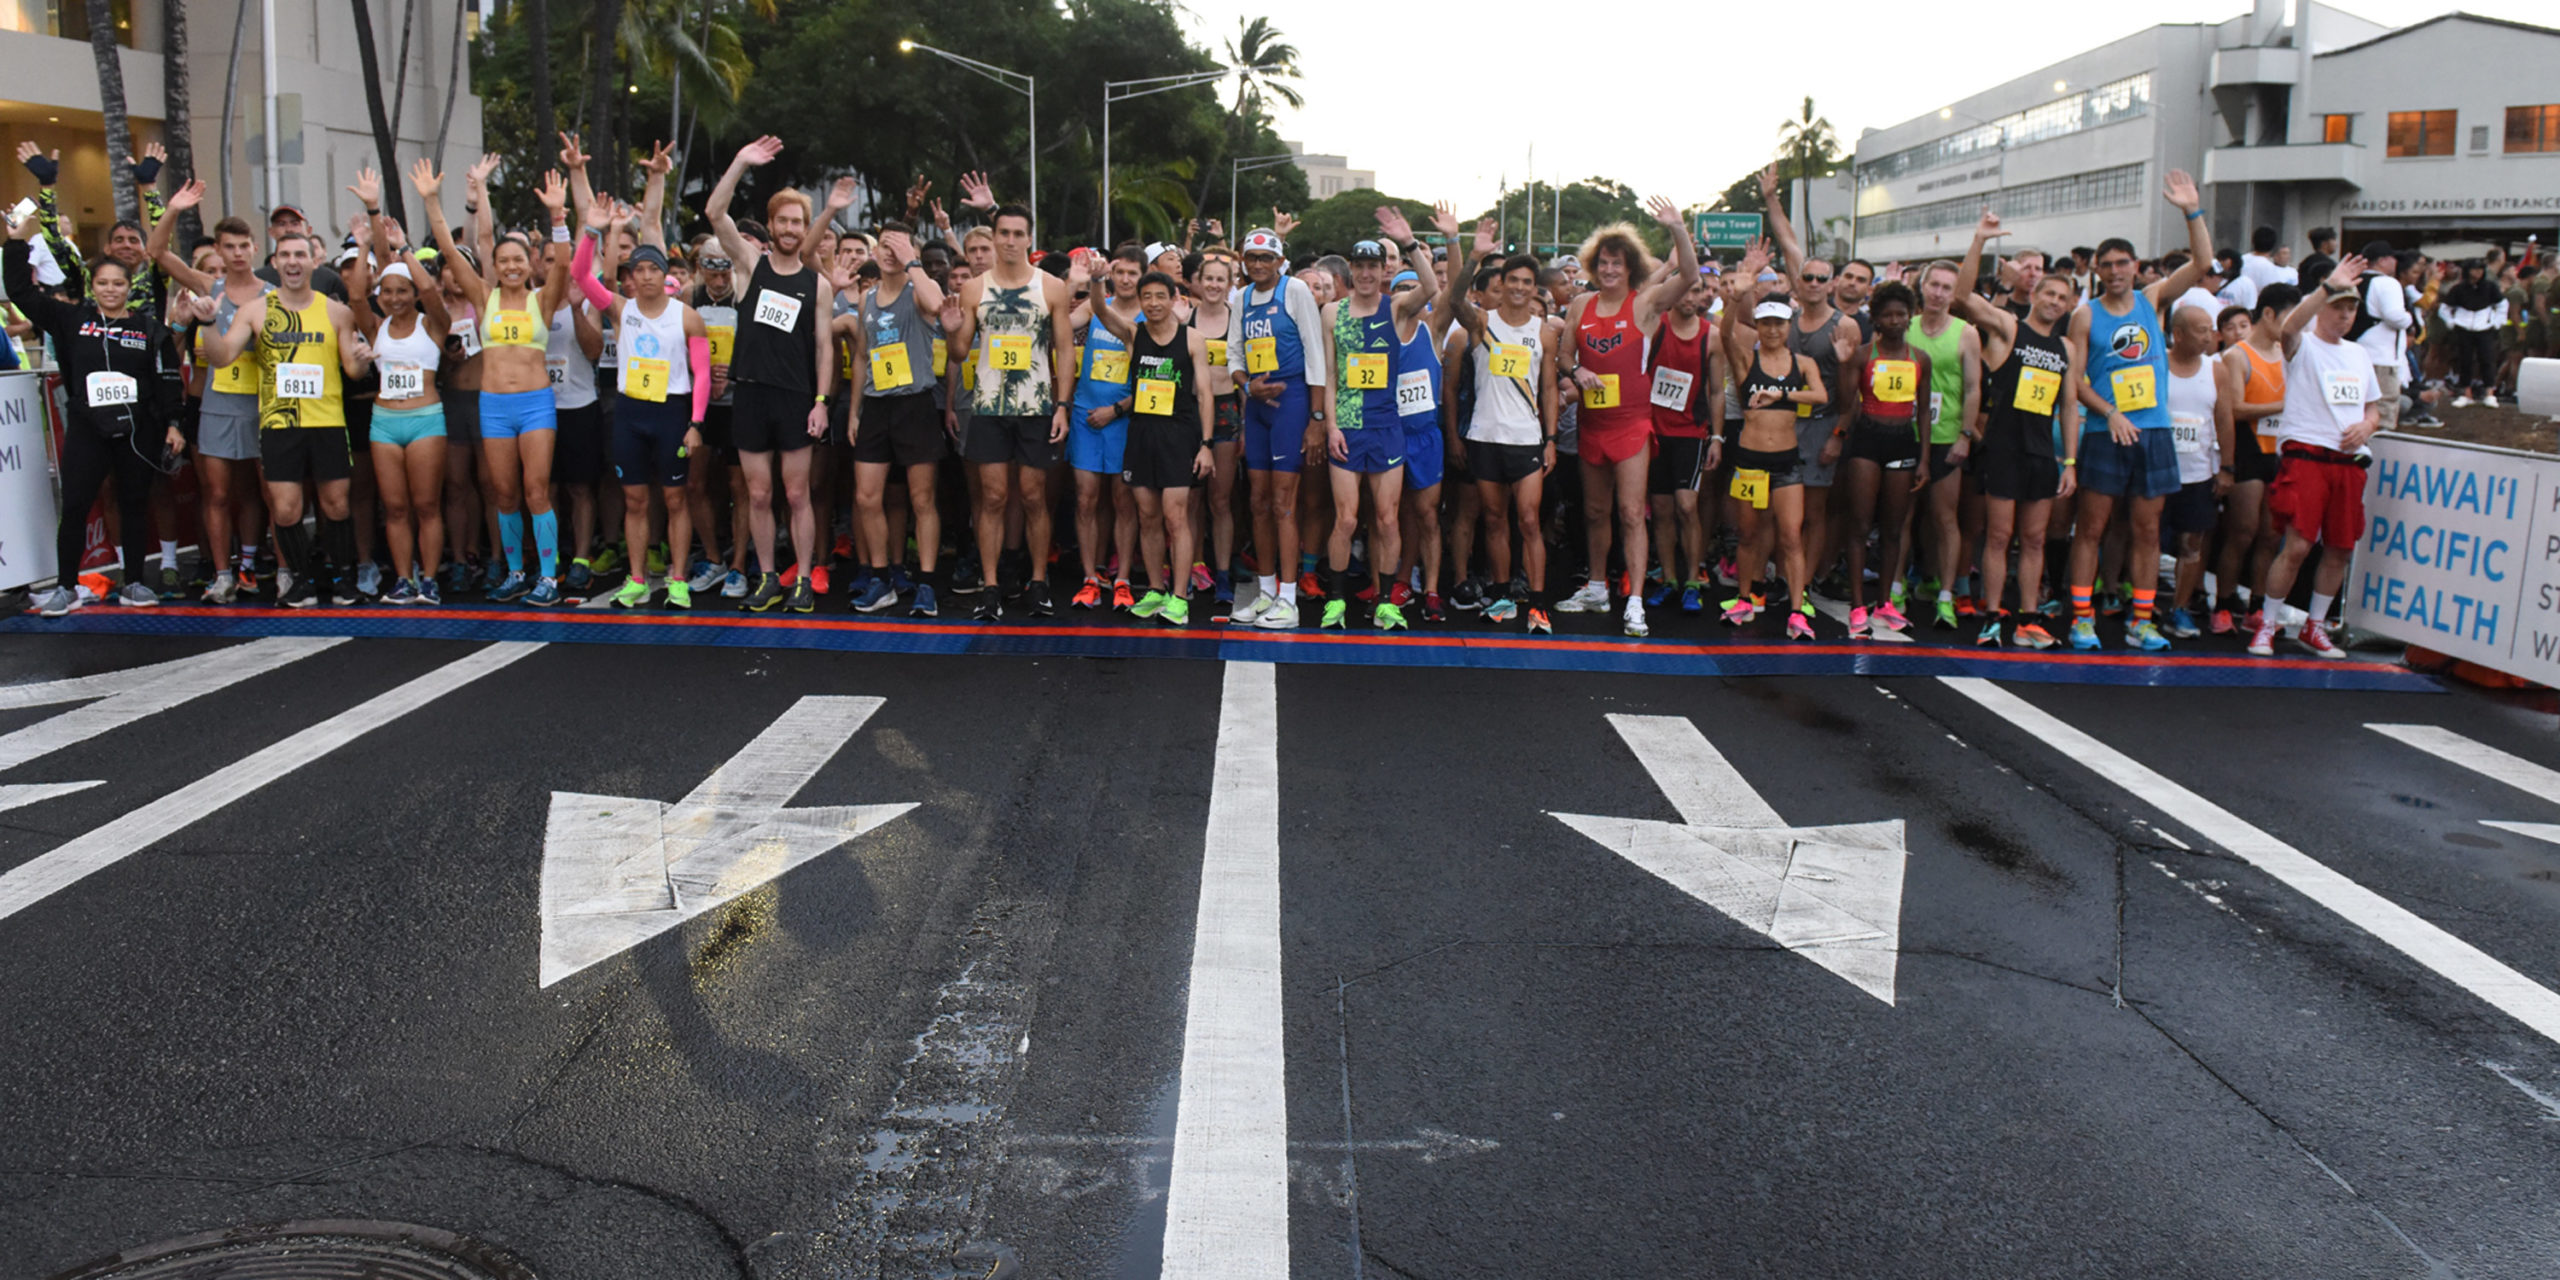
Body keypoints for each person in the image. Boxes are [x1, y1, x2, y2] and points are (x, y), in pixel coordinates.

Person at [415, 154, 576, 606]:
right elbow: (452, 249)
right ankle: (516, 571)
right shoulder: (483, 297)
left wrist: (558, 215)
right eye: (502, 259)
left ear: (528, 265)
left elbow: (563, 261)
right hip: (494, 408)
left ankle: (548, 577)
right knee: (503, 492)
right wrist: (432, 202)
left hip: (535, 405)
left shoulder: (542, 300)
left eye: (518, 260)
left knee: (535, 490)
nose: (509, 266)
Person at [9, 205, 184, 615]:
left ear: (127, 287)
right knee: (75, 505)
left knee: (134, 502)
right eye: (102, 283)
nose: (110, 290)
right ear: (92, 285)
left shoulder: (146, 327)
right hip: (87, 427)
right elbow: (20, 293)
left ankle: (135, 582)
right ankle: (67, 587)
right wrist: (16, 240)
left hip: (137, 429)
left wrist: (175, 423)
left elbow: (167, 377)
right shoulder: (72, 320)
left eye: (117, 284)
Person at [2065, 168, 2212, 652]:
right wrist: (2109, 413)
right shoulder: (2086, 314)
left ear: (2135, 265)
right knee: (2092, 527)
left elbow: (2203, 261)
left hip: (2153, 430)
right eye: (2105, 264)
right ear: (2097, 271)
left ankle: (2141, 620)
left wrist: (2191, 209)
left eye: (2121, 262)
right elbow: (2076, 381)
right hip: (2107, 431)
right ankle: (2082, 618)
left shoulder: (2152, 300)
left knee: (2149, 530)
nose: (2114, 270)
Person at [203, 203, 378, 607]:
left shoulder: (336, 311)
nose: (293, 262)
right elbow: (222, 357)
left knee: (336, 504)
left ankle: (343, 578)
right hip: (280, 424)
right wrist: (208, 323)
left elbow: (351, 370)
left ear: (314, 260)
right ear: (275, 262)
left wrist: (361, 360)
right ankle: (298, 580)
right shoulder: (255, 310)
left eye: (301, 255)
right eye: (285, 255)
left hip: (329, 422)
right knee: (285, 509)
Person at [706, 136, 844, 613]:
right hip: (750, 396)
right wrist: (741, 162)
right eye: (782, 221)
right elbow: (715, 213)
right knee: (759, 494)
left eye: (797, 222)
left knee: (797, 492)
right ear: (770, 226)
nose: (789, 229)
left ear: (806, 230)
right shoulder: (750, 266)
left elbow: (826, 350)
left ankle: (803, 578)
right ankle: (767, 577)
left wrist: (821, 404)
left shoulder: (818, 285)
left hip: (796, 399)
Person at [1556, 195, 1698, 638]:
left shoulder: (1646, 302)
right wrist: (1577, 370)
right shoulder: (1581, 305)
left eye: (1617, 263)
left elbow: (1690, 276)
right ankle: (1597, 587)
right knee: (1595, 511)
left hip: (1632, 425)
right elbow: (1563, 358)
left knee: (1631, 512)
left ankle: (1634, 600)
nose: (1609, 270)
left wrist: (1677, 227)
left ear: (1630, 266)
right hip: (1592, 425)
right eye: (1602, 263)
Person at [567, 201, 710, 610]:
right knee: (634, 500)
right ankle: (635, 579)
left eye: (653, 269)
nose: (645, 276)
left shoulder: (687, 317)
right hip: (631, 413)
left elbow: (701, 373)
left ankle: (677, 578)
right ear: (630, 278)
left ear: (666, 274)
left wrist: (696, 423)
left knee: (675, 498)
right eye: (638, 270)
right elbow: (579, 276)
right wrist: (592, 232)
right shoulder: (619, 308)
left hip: (671, 412)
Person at [1951, 210, 2079, 649]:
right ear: (2035, 293)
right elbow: (1964, 296)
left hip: (2042, 454)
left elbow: (2068, 406)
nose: (2055, 301)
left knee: (2035, 539)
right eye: (2050, 293)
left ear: (2069, 304)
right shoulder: (2009, 328)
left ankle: (2028, 619)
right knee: (1999, 537)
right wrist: (1979, 241)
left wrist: (2071, 463)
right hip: (2003, 449)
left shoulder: (2066, 347)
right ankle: (1992, 616)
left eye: (2064, 297)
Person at [946, 202, 1077, 621]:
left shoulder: (1052, 287)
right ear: (994, 235)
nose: (1010, 241)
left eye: (1019, 234)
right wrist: (951, 332)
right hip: (988, 405)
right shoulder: (974, 288)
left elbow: (1064, 351)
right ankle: (990, 586)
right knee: (994, 497)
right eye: (1004, 233)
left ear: (1029, 238)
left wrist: (1062, 406)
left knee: (1035, 496)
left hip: (1037, 406)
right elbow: (960, 351)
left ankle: (1037, 581)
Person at [1312, 211, 1441, 630]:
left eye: (1374, 266)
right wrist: (1330, 426)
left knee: (1386, 518)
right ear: (1351, 270)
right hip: (1348, 425)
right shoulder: (1333, 313)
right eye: (1360, 266)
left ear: (1383, 270)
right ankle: (1335, 601)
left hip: (1387, 427)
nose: (1367, 274)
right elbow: (1330, 376)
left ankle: (1386, 600)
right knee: (1346, 519)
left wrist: (1408, 244)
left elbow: (1433, 287)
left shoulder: (1398, 307)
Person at [147, 182, 274, 602]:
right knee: (216, 492)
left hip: (262, 404)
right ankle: (222, 574)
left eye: (243, 246)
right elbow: (158, 253)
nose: (236, 254)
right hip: (217, 405)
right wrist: (173, 209)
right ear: (219, 250)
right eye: (229, 247)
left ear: (254, 248)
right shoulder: (208, 286)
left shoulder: (272, 295)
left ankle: (250, 566)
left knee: (258, 491)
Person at [2252, 255, 2381, 659]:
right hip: (2307, 456)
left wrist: (2367, 426)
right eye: (2338, 306)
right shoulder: (2303, 344)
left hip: (2348, 462)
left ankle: (2316, 625)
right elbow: (2288, 327)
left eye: (2351, 308)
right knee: (2298, 546)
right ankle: (2267, 624)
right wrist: (2328, 285)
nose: (2344, 315)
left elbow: (2374, 408)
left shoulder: (2359, 355)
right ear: (2322, 306)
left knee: (2340, 548)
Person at [343, 171, 452, 604]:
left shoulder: (434, 324)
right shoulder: (378, 326)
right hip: (385, 421)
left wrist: (405, 250)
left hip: (425, 418)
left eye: (401, 290)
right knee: (396, 508)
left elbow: (430, 289)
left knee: (426, 505)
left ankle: (429, 579)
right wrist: (366, 243)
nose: (394, 298)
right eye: (386, 291)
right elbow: (355, 298)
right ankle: (403, 579)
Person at [1446, 225, 1559, 631]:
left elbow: (1548, 388)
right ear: (1502, 283)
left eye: (1527, 282)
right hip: (1484, 436)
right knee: (1493, 520)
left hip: (1526, 439)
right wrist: (1472, 253)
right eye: (1512, 280)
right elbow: (1453, 297)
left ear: (1535, 289)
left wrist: (1550, 439)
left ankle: (1538, 603)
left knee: (1528, 520)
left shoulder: (1543, 332)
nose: (1519, 288)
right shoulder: (1480, 322)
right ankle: (1500, 594)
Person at [1088, 268, 1216, 625]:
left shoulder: (1192, 340)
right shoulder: (1134, 333)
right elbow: (1100, 310)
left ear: (1175, 298)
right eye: (1149, 297)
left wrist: (1206, 445)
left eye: (1162, 296)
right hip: (1142, 434)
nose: (1155, 303)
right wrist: (1098, 281)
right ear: (1141, 302)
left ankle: (1179, 596)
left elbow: (1205, 395)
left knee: (1176, 516)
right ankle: (1156, 589)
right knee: (1147, 515)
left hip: (1179, 435)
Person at [1714, 245, 1825, 641]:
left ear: (1789, 325)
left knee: (1790, 536)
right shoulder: (1747, 359)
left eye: (1780, 323)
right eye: (1766, 324)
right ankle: (1746, 597)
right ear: (1759, 327)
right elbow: (1724, 333)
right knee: (1749, 533)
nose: (1773, 330)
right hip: (1751, 460)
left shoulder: (1802, 364)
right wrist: (1737, 295)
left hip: (1786, 462)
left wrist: (1782, 396)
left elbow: (1822, 396)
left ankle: (1797, 609)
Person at [847, 224, 950, 617]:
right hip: (876, 405)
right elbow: (861, 356)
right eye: (885, 245)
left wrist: (911, 259)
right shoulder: (867, 299)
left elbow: (938, 304)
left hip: (915, 403)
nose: (890, 251)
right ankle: (880, 578)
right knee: (866, 496)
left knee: (922, 499)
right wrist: (855, 411)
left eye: (898, 245)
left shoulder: (917, 292)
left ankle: (925, 584)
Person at [1227, 226, 1327, 629]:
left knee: (1285, 502)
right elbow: (1234, 351)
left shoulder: (1295, 291)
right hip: (1257, 403)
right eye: (1251, 258)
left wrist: (1316, 419)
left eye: (1265, 258)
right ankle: (1266, 591)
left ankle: (1288, 596)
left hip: (1292, 400)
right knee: (1258, 500)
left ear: (1280, 261)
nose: (1258, 265)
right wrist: (1246, 385)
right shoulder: (1243, 297)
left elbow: (1315, 354)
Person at [1834, 280, 1932, 637]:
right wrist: (1845, 365)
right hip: (1868, 441)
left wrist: (1923, 459)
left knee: (1893, 528)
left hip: (1903, 442)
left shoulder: (1920, 358)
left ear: (1910, 317)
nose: (1894, 320)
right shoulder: (1863, 354)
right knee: (1860, 525)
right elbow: (1848, 405)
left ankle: (1885, 602)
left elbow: (1923, 414)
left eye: (1900, 314)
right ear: (1875, 318)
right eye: (1887, 314)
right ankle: (1858, 604)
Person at [1065, 246, 1145, 611]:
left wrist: (1116, 410)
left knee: (1123, 501)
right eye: (1121, 272)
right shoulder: (1096, 305)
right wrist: (1081, 282)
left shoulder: (1150, 315)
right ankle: (1089, 577)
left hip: (1125, 420)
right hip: (1085, 416)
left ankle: (1124, 578)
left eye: (1133, 273)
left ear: (1144, 276)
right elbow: (1063, 323)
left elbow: (1155, 379)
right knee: (1085, 499)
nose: (1126, 279)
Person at [2213, 286, 2295, 633]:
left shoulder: (2288, 353)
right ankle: (2224, 601)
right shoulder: (2237, 355)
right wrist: (2283, 407)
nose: (2296, 327)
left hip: (2279, 452)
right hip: (2248, 449)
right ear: (2269, 315)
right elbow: (2234, 408)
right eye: (2291, 318)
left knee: (2270, 535)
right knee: (2242, 531)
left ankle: (2258, 603)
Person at [1906, 258, 1982, 630]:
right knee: (1903, 516)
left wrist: (1965, 436)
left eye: (1946, 288)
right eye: (1933, 285)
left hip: (1947, 437)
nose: (1938, 293)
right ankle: (1894, 587)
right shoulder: (1906, 327)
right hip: (1906, 435)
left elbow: (1973, 388)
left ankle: (1946, 596)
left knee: (1943, 517)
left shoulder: (1966, 332)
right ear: (1922, 286)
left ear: (1955, 294)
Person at [2155, 301, 2238, 639]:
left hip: (2198, 473)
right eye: (2202, 330)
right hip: (2158, 472)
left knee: (2192, 546)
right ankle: (2140, 606)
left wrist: (2227, 468)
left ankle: (2179, 608)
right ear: (2178, 334)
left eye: (2210, 329)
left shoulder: (2215, 370)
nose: (2209, 336)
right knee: (2146, 541)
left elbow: (2224, 421)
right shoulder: (2157, 364)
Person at [2349, 240, 2411, 433]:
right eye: (2393, 258)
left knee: (2355, 409)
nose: (2395, 263)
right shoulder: (2387, 283)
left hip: (2353, 352)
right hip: (2381, 357)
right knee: (2383, 407)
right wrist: (2409, 318)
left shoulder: (2354, 280)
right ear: (2383, 261)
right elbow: (2394, 316)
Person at [2439, 261, 2505, 407]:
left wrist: (2497, 322)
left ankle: (2489, 393)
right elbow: (2444, 308)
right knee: (2464, 360)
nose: (2477, 273)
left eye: (2480, 270)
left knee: (2487, 359)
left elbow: (2502, 305)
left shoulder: (2490, 287)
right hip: (2463, 328)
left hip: (2485, 328)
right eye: (2474, 270)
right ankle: (2466, 393)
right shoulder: (2458, 289)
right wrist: (2451, 322)